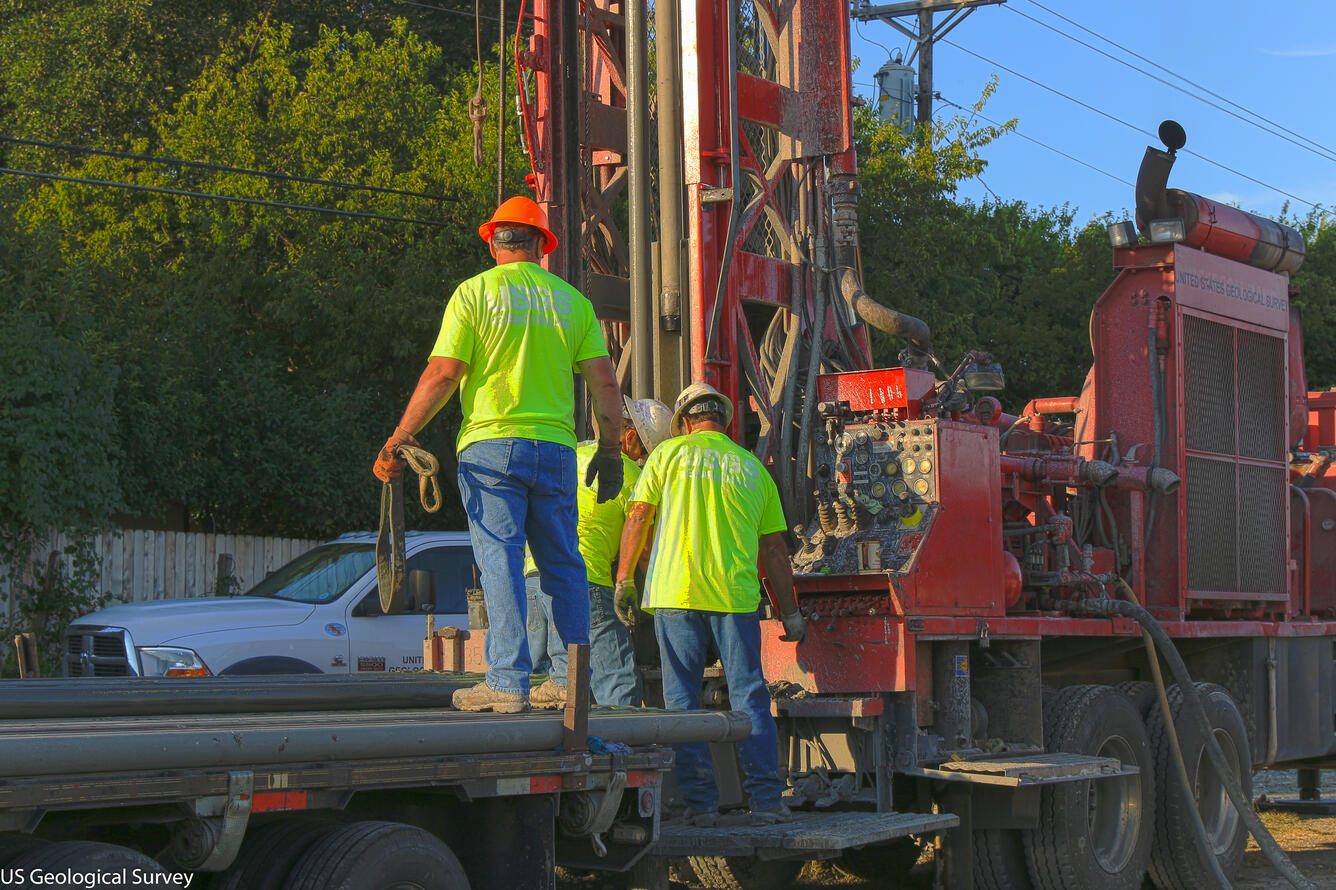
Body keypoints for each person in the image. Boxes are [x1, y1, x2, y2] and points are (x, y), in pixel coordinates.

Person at [373, 196, 625, 714]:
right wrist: (611, 448)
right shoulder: (572, 301)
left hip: (490, 448)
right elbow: (604, 381)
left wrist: (401, 436)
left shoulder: (475, 294)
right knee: (564, 565)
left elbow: (443, 374)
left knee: (501, 561)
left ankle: (508, 683)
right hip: (556, 450)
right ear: (540, 245)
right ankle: (568, 681)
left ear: (493, 241)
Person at [614, 382, 808, 826]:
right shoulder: (753, 469)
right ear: (726, 422)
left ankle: (700, 807)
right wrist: (790, 612)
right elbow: (775, 552)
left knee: (682, 702)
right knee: (749, 698)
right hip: (734, 600)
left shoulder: (666, 456)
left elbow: (638, 515)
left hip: (674, 595)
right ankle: (765, 802)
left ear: (683, 422)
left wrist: (624, 579)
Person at [524, 396, 672, 709]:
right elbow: (643, 549)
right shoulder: (630, 475)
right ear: (630, 438)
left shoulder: (572, 453)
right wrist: (655, 605)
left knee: (542, 683)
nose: (643, 462)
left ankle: (538, 750)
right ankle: (624, 748)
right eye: (645, 454)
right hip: (583, 579)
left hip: (533, 576)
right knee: (615, 677)